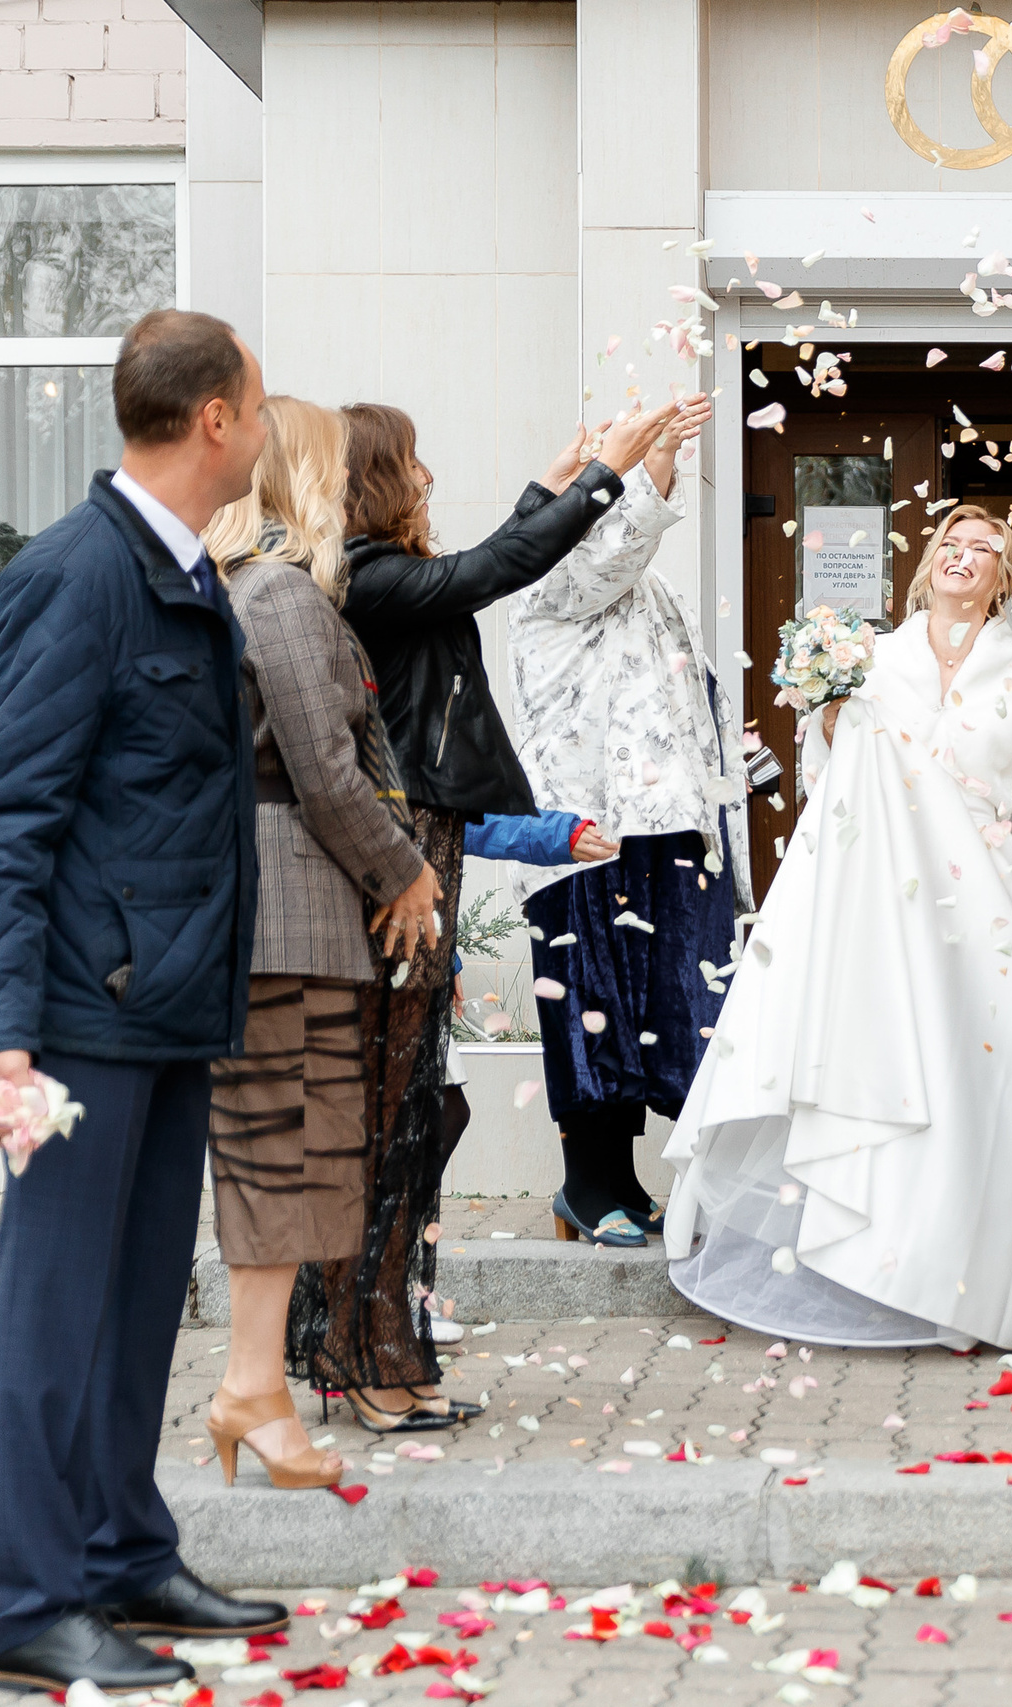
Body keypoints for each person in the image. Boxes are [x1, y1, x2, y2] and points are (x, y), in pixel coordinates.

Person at [0, 308, 285, 1693]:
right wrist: (1, 1044)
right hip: (81, 1021)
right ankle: (35, 1600)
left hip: (164, 1008)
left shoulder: (187, 570)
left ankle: (123, 1549)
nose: (265, 427)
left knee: (139, 1302)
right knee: (55, 1310)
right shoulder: (75, 578)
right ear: (215, 417)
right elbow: (2, 823)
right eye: (256, 406)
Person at [659, 507, 1012, 1349]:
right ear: (927, 566)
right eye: (949, 547)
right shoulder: (871, 657)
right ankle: (878, 1255)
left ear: (1005, 575)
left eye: (982, 550)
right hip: (883, 902)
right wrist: (824, 720)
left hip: (991, 900)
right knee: (882, 1067)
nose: (963, 558)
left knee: (989, 1074)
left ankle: (986, 1263)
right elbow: (825, 778)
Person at [289, 398, 671, 1432]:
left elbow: (480, 562)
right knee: (392, 1118)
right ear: (371, 479)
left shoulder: (385, 573)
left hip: (435, 847)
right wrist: (603, 479)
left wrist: (551, 488)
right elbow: (487, 574)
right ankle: (360, 1349)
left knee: (415, 1112)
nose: (425, 476)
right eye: (410, 461)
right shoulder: (365, 576)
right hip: (406, 855)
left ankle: (377, 1343)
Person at [196, 395, 437, 1487]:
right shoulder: (283, 595)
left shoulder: (259, 588)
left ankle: (259, 1390)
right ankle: (252, 1389)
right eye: (336, 474)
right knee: (284, 1160)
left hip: (282, 917)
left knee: (294, 1167)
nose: (350, 494)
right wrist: (406, 871)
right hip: (288, 920)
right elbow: (326, 770)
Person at [508, 394, 751, 1246]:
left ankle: (627, 1178)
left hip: (667, 826)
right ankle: (587, 1184)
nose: (600, 510)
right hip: (584, 834)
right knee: (593, 1004)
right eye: (586, 496)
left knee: (667, 1002)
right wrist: (644, 466)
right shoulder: (543, 579)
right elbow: (609, 555)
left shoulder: (653, 594)